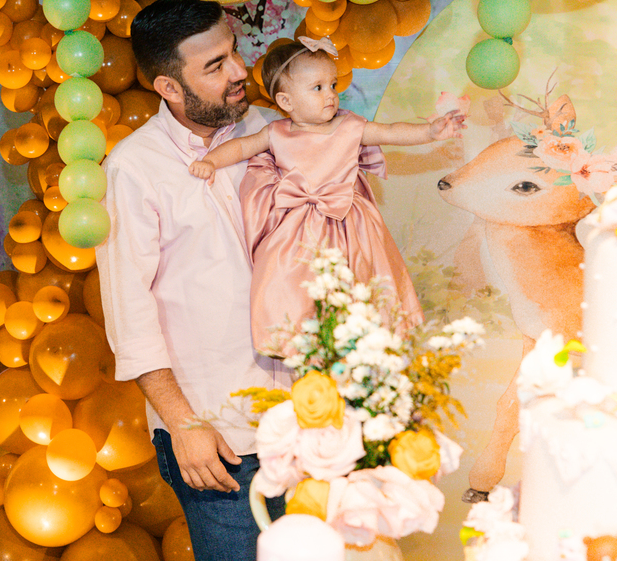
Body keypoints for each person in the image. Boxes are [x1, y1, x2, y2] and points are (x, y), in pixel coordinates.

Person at [98, 0, 291, 561]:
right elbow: (129, 313)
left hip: (308, 420)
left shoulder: (271, 133)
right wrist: (184, 425)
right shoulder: (134, 168)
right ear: (169, 87)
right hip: (221, 437)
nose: (239, 72)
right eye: (215, 66)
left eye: (233, 53)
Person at [189, 36, 465, 355]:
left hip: (350, 224)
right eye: (317, 88)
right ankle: (293, 337)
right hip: (298, 229)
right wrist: (211, 161)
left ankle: (365, 337)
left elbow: (390, 132)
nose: (331, 95)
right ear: (286, 101)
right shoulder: (276, 133)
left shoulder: (349, 126)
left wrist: (429, 132)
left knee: (362, 281)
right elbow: (240, 147)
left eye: (332, 85)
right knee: (286, 279)